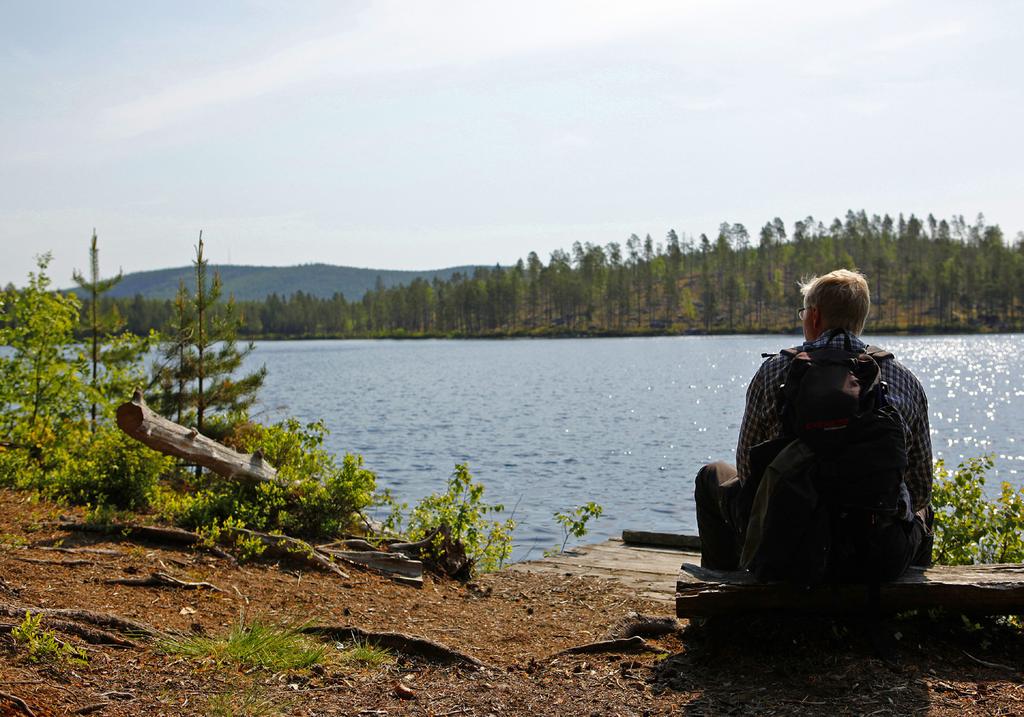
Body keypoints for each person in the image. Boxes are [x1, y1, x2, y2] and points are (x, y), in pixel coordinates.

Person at [694, 269, 933, 572]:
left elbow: (747, 470)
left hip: (788, 548)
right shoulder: (903, 379)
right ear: (860, 319)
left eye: (804, 312)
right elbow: (921, 487)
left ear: (815, 317)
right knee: (924, 510)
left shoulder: (774, 372)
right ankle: (908, 607)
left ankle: (725, 603)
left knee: (711, 475)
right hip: (874, 554)